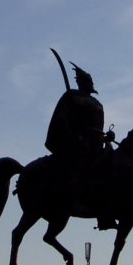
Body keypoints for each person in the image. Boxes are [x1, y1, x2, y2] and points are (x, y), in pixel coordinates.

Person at [45, 62, 115, 229]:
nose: (91, 83)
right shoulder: (71, 97)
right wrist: (74, 136)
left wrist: (107, 137)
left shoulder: (96, 103)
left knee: (112, 167)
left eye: (91, 80)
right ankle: (74, 200)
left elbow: (98, 129)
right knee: (78, 166)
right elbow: (61, 119)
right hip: (76, 144)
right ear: (81, 82)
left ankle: (105, 212)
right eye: (87, 81)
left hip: (95, 145)